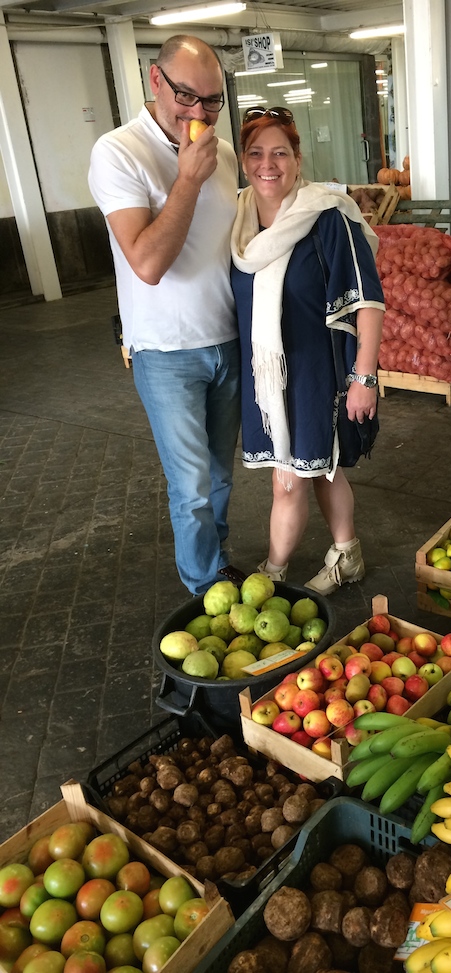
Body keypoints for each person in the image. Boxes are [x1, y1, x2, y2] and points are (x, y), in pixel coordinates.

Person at [88, 35, 241, 597]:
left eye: (213, 100)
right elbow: (148, 263)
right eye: (186, 96)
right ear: (155, 81)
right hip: (166, 350)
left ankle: (219, 565)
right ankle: (205, 590)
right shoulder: (118, 152)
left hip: (229, 341)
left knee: (222, 477)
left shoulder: (223, 153)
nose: (199, 113)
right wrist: (187, 181)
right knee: (193, 487)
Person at [229, 107, 385, 597]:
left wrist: (365, 378)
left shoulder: (326, 217)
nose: (267, 163)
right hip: (269, 375)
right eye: (255, 153)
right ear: (242, 160)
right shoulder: (238, 221)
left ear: (298, 160)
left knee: (303, 473)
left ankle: (276, 571)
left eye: (280, 152)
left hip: (321, 372)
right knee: (311, 469)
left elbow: (368, 300)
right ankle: (346, 552)